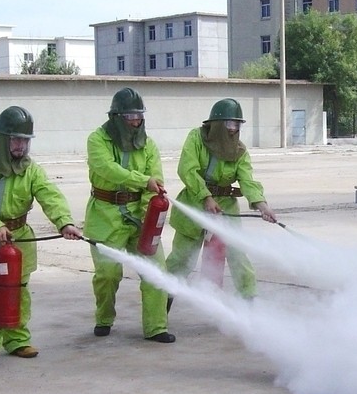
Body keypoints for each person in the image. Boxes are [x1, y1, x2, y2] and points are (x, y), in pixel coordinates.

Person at [0, 106, 83, 366]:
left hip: (18, 239)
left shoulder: (31, 169)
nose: (21, 146)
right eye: (16, 139)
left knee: (18, 289)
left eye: (25, 140)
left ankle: (16, 339)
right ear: (1, 139)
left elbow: (49, 194)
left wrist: (65, 222)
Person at [84, 87, 175, 343]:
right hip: (105, 216)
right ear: (116, 117)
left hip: (139, 216)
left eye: (139, 115)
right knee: (108, 274)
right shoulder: (97, 140)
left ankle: (156, 327)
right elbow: (106, 169)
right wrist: (143, 180)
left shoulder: (149, 145)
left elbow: (155, 180)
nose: (136, 120)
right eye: (130, 115)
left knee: (157, 271)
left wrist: (149, 219)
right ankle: (104, 317)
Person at [165, 98, 277, 305]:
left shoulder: (240, 151)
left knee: (238, 255)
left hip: (225, 205)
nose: (234, 130)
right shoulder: (196, 138)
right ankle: (162, 307)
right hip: (194, 202)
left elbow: (247, 179)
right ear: (216, 124)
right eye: (229, 124)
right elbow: (187, 169)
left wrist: (261, 204)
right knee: (181, 258)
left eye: (237, 125)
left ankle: (249, 301)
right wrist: (206, 197)